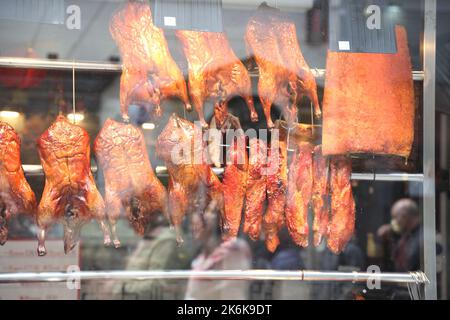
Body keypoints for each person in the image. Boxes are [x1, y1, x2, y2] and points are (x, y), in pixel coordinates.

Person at [184, 201, 252, 300]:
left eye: (210, 212)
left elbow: (228, 289)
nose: (194, 223)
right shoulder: (201, 256)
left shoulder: (234, 249)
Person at [377, 198, 422, 272]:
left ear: (404, 216)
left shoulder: (421, 238)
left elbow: (407, 265)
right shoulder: (406, 236)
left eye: (395, 217)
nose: (394, 222)